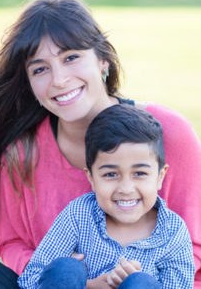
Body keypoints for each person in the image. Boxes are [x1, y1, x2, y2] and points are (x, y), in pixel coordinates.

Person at [0, 0, 200, 289]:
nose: (59, 79)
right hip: (55, 284)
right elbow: (13, 245)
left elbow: (192, 248)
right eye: (40, 69)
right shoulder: (21, 153)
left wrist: (126, 279)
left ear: (103, 61)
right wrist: (75, 281)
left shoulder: (168, 134)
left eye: (71, 57)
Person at [18, 104, 195, 289]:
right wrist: (87, 285)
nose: (126, 189)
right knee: (66, 269)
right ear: (91, 178)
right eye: (111, 174)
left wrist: (139, 281)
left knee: (140, 283)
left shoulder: (172, 231)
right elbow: (29, 278)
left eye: (140, 173)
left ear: (160, 177)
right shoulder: (79, 215)